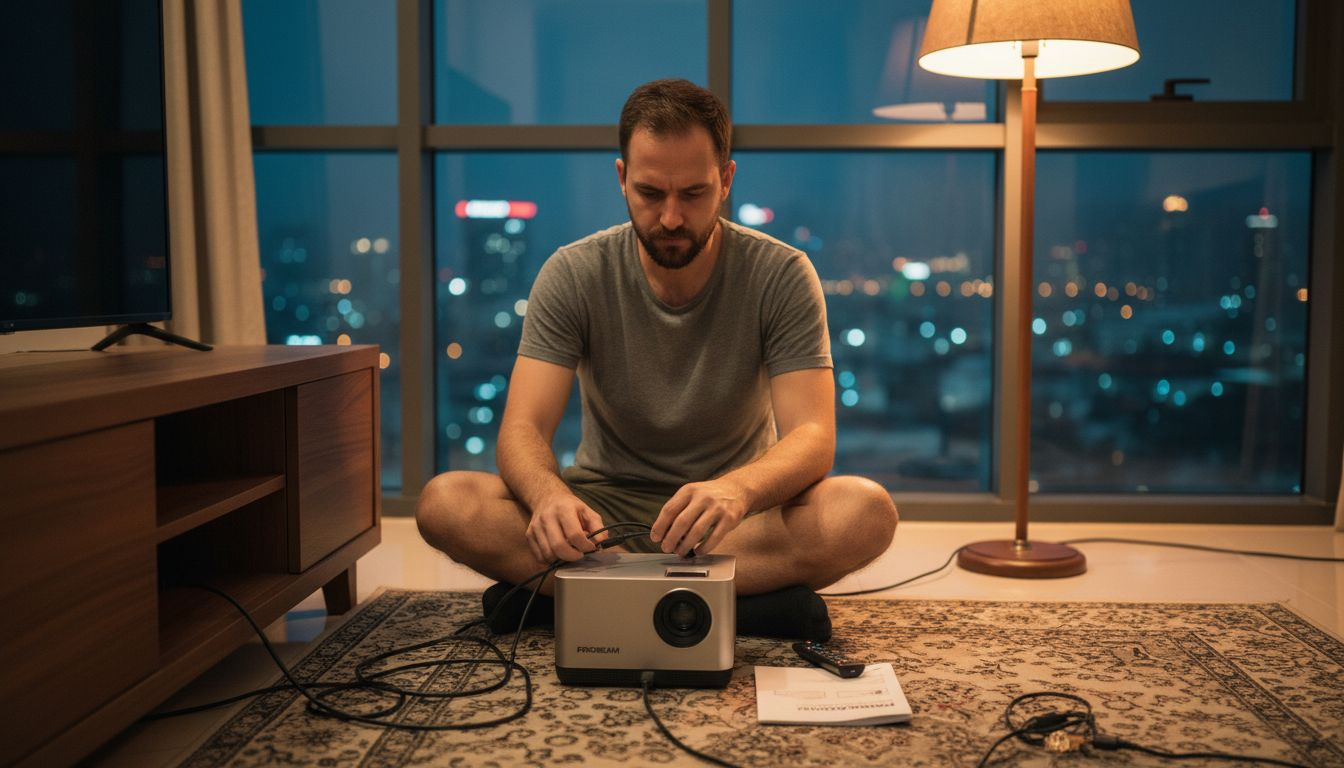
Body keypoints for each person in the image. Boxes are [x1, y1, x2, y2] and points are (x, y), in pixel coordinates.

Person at [416, 78, 897, 639]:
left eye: (692, 193)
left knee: (865, 511)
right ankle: (725, 601)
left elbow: (813, 435)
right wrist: (550, 499)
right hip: (601, 519)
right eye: (650, 193)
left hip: (730, 521)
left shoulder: (781, 273)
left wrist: (736, 491)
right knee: (444, 502)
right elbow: (522, 427)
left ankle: (584, 595)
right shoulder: (573, 272)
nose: (670, 218)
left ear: (725, 181)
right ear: (622, 179)